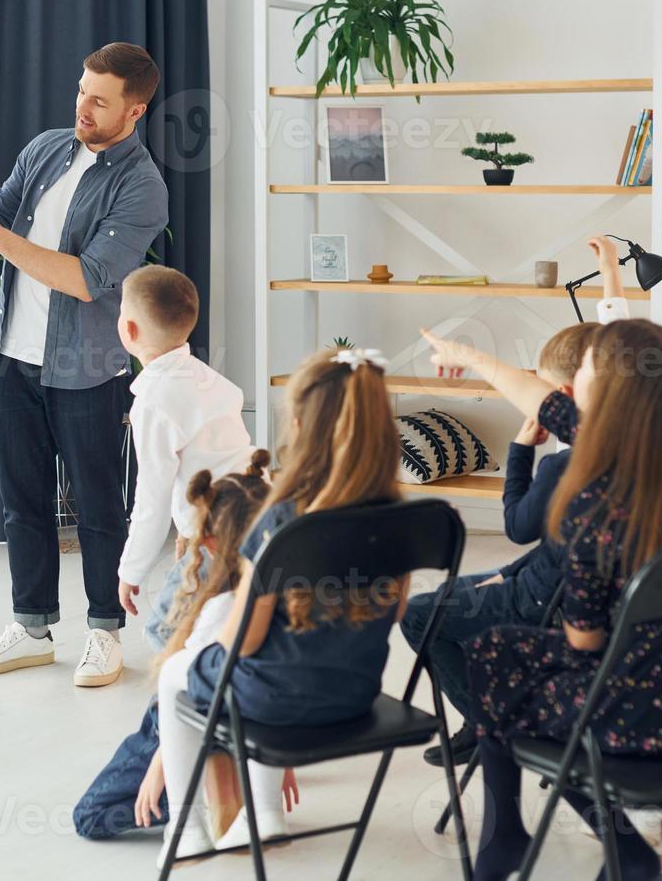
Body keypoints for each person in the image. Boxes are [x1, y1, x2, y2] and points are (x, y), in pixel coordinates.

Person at [423, 320, 662, 881]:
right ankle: (528, 836)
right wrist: (469, 356)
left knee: (495, 660)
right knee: (505, 654)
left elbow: (583, 640)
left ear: (604, 395)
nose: (564, 385)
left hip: (634, 713)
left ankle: (527, 833)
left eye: (581, 371)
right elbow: (538, 396)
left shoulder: (592, 501)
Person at [0, 43, 169, 686]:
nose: (83, 107)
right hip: (14, 357)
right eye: (81, 91)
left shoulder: (142, 186)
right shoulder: (47, 149)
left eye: (99, 101)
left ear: (135, 111)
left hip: (87, 369)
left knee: (100, 506)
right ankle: (32, 627)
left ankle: (104, 631)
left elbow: (86, 279)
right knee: (22, 501)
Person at [154, 347, 411, 864]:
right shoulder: (402, 519)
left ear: (300, 425)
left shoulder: (281, 520)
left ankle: (185, 828)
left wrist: (203, 645)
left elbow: (245, 640)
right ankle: (263, 814)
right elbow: (398, 611)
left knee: (179, 673)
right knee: (279, 661)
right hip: (356, 696)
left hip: (277, 704)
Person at [403, 236, 629, 769]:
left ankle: (489, 727)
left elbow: (517, 526)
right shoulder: (650, 445)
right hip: (580, 594)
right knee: (459, 591)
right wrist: (611, 278)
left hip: (548, 602)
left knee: (419, 614)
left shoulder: (568, 464)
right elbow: (621, 350)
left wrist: (520, 452)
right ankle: (488, 717)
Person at [72, 457, 297, 842]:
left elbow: (179, 689)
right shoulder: (286, 590)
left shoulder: (212, 602)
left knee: (90, 817)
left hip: (191, 713)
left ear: (208, 539)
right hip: (244, 713)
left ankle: (195, 801)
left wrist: (163, 761)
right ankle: (220, 781)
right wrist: (279, 751)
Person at [112, 265, 258, 655]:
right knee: (227, 617)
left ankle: (206, 704)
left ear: (129, 330)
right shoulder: (212, 381)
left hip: (217, 536)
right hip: (257, 516)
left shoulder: (155, 404)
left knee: (165, 632)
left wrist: (130, 571)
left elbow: (152, 502)